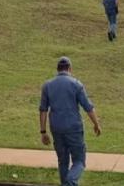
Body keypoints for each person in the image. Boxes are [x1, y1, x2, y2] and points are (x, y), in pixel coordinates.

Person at [39, 57, 102, 186]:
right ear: (70, 69)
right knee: (79, 160)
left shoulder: (47, 86)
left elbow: (43, 110)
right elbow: (88, 107)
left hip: (56, 128)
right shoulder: (76, 84)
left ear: (57, 70)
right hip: (74, 128)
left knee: (62, 161)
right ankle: (71, 181)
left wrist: (43, 131)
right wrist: (96, 124)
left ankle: (66, 183)